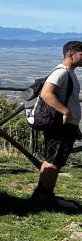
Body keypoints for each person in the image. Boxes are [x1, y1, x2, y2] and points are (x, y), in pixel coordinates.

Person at [30, 40, 82, 208]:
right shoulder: (61, 73)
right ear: (70, 54)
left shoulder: (66, 73)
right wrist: (66, 112)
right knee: (55, 161)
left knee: (50, 158)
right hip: (62, 125)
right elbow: (46, 94)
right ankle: (46, 198)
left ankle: (41, 193)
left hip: (66, 125)